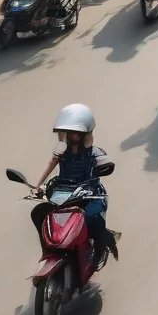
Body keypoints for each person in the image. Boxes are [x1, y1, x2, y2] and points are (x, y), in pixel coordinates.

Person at [31, 104, 119, 263]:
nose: (72, 136)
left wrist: (105, 166)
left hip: (89, 194)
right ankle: (48, 249)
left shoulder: (95, 152)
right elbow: (51, 164)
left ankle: (98, 249)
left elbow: (106, 164)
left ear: (85, 134)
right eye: (69, 133)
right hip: (62, 193)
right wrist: (37, 186)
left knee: (92, 218)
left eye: (76, 133)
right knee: (39, 212)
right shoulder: (61, 150)